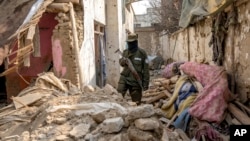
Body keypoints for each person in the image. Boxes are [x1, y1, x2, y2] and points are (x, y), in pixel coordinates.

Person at [117, 33, 149, 105]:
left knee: (136, 102)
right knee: (118, 97)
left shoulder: (142, 53)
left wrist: (145, 84)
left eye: (132, 42)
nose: (130, 44)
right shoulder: (125, 52)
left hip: (136, 80)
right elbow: (121, 63)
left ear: (136, 42)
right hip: (124, 78)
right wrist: (123, 61)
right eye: (129, 43)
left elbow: (146, 70)